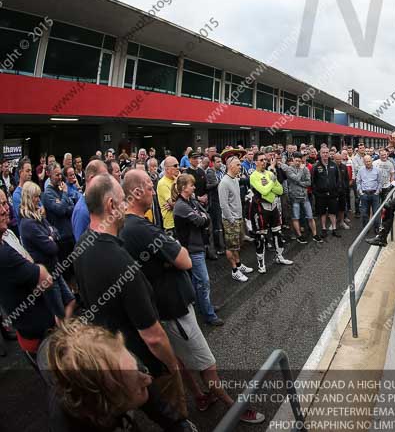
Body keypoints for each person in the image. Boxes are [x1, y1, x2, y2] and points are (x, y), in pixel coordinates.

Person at [119, 170, 264, 424]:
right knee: (207, 363)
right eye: (149, 187)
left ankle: (200, 396)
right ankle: (232, 407)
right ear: (137, 192)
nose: (155, 191)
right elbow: (184, 259)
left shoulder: (127, 225)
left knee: (180, 360)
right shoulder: (140, 228)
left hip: (164, 306)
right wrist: (175, 256)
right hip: (173, 308)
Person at [73, 173, 184, 416]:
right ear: (111, 205)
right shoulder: (122, 263)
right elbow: (153, 336)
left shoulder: (81, 245)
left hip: (111, 358)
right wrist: (172, 366)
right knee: (172, 415)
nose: (126, 206)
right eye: (123, 200)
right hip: (141, 364)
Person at [42, 318, 195, 431]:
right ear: (105, 402)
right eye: (138, 386)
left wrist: (181, 426)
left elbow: (164, 411)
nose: (148, 380)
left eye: (137, 369)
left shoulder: (125, 368)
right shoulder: (67, 424)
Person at [0, 188, 60, 362]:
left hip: (31, 329)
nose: (5, 210)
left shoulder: (8, 236)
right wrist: (34, 266)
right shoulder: (5, 254)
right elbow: (45, 278)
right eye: (0, 205)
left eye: (5, 203)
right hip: (38, 335)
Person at [18, 182, 76, 322]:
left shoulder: (38, 217)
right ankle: (62, 338)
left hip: (55, 269)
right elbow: (52, 248)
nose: (39, 200)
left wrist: (51, 236)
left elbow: (54, 231)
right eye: (36, 197)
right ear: (28, 198)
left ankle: (63, 333)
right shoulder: (28, 224)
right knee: (59, 312)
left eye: (39, 196)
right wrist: (51, 237)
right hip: (46, 275)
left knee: (71, 301)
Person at [172, 174, 224, 326]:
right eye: (191, 185)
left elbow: (205, 215)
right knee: (203, 281)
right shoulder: (181, 206)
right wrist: (202, 217)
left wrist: (202, 217)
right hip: (192, 249)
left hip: (198, 245)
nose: (194, 187)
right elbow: (201, 220)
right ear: (183, 188)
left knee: (198, 281)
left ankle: (204, 306)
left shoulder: (191, 201)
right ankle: (209, 314)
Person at [249, 151, 292, 271]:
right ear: (256, 162)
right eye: (261, 160)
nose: (264, 162)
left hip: (273, 207)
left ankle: (280, 257)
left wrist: (270, 186)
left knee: (277, 233)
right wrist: (271, 184)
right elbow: (263, 191)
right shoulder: (254, 175)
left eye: (265, 160)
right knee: (261, 237)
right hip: (260, 208)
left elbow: (280, 190)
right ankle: (261, 264)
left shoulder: (269, 173)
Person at [219, 157, 256, 281]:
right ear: (230, 166)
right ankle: (234, 270)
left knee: (237, 245)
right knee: (231, 246)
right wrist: (231, 219)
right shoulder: (224, 182)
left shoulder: (234, 179)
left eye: (240, 165)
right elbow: (223, 205)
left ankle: (239, 265)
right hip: (231, 220)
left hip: (238, 218)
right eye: (238, 165)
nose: (240, 167)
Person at [41, 163, 76, 280]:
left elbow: (72, 208)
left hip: (70, 235)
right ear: (49, 175)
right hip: (60, 239)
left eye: (60, 174)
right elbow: (60, 210)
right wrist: (65, 196)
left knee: (74, 271)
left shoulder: (61, 189)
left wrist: (63, 203)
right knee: (65, 273)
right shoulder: (48, 194)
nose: (60, 177)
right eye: (56, 175)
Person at [280, 153, 322, 244]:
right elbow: (296, 178)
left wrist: (299, 183)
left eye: (300, 161)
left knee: (310, 216)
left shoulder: (305, 169)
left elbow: (308, 182)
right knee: (296, 217)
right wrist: (301, 172)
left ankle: (315, 234)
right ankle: (299, 236)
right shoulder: (289, 169)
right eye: (296, 161)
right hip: (294, 197)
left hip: (304, 197)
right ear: (293, 160)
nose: (298, 162)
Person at [70, 159, 108, 240]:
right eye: (104, 178)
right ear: (92, 178)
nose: (107, 182)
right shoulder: (82, 211)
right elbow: (82, 248)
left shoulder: (96, 204)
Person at [311, 148, 341, 238]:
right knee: (322, 212)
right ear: (320, 154)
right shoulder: (316, 166)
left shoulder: (334, 165)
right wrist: (316, 193)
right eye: (323, 153)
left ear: (329, 154)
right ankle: (323, 229)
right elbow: (313, 181)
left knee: (333, 212)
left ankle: (334, 229)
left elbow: (338, 178)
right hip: (321, 195)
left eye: (327, 153)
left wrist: (336, 190)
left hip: (332, 194)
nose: (325, 154)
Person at [205, 154, 225, 259]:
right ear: (212, 162)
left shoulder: (221, 171)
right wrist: (219, 183)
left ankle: (222, 245)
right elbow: (207, 186)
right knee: (217, 225)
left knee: (221, 224)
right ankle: (219, 247)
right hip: (214, 201)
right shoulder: (210, 172)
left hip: (222, 200)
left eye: (220, 161)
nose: (220, 163)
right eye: (217, 162)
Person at [356, 155, 381, 234]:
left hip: (374, 194)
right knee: (364, 214)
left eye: (369, 161)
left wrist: (377, 191)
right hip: (365, 194)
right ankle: (365, 229)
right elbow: (358, 181)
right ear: (364, 162)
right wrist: (360, 192)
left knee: (376, 213)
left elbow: (380, 182)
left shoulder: (377, 170)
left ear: (372, 161)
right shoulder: (361, 170)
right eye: (366, 161)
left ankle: (377, 228)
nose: (368, 163)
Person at [158, 157, 180, 235]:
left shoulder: (179, 179)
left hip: (182, 220)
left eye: (178, 165)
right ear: (167, 169)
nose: (178, 167)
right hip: (171, 224)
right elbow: (173, 203)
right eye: (175, 166)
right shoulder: (162, 183)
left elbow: (189, 197)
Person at [333, 153, 351, 230]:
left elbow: (347, 178)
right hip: (334, 191)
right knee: (333, 208)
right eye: (337, 159)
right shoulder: (331, 167)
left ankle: (342, 222)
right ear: (334, 159)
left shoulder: (344, 166)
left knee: (342, 207)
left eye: (340, 159)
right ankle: (333, 223)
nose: (338, 161)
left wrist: (346, 187)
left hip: (342, 190)